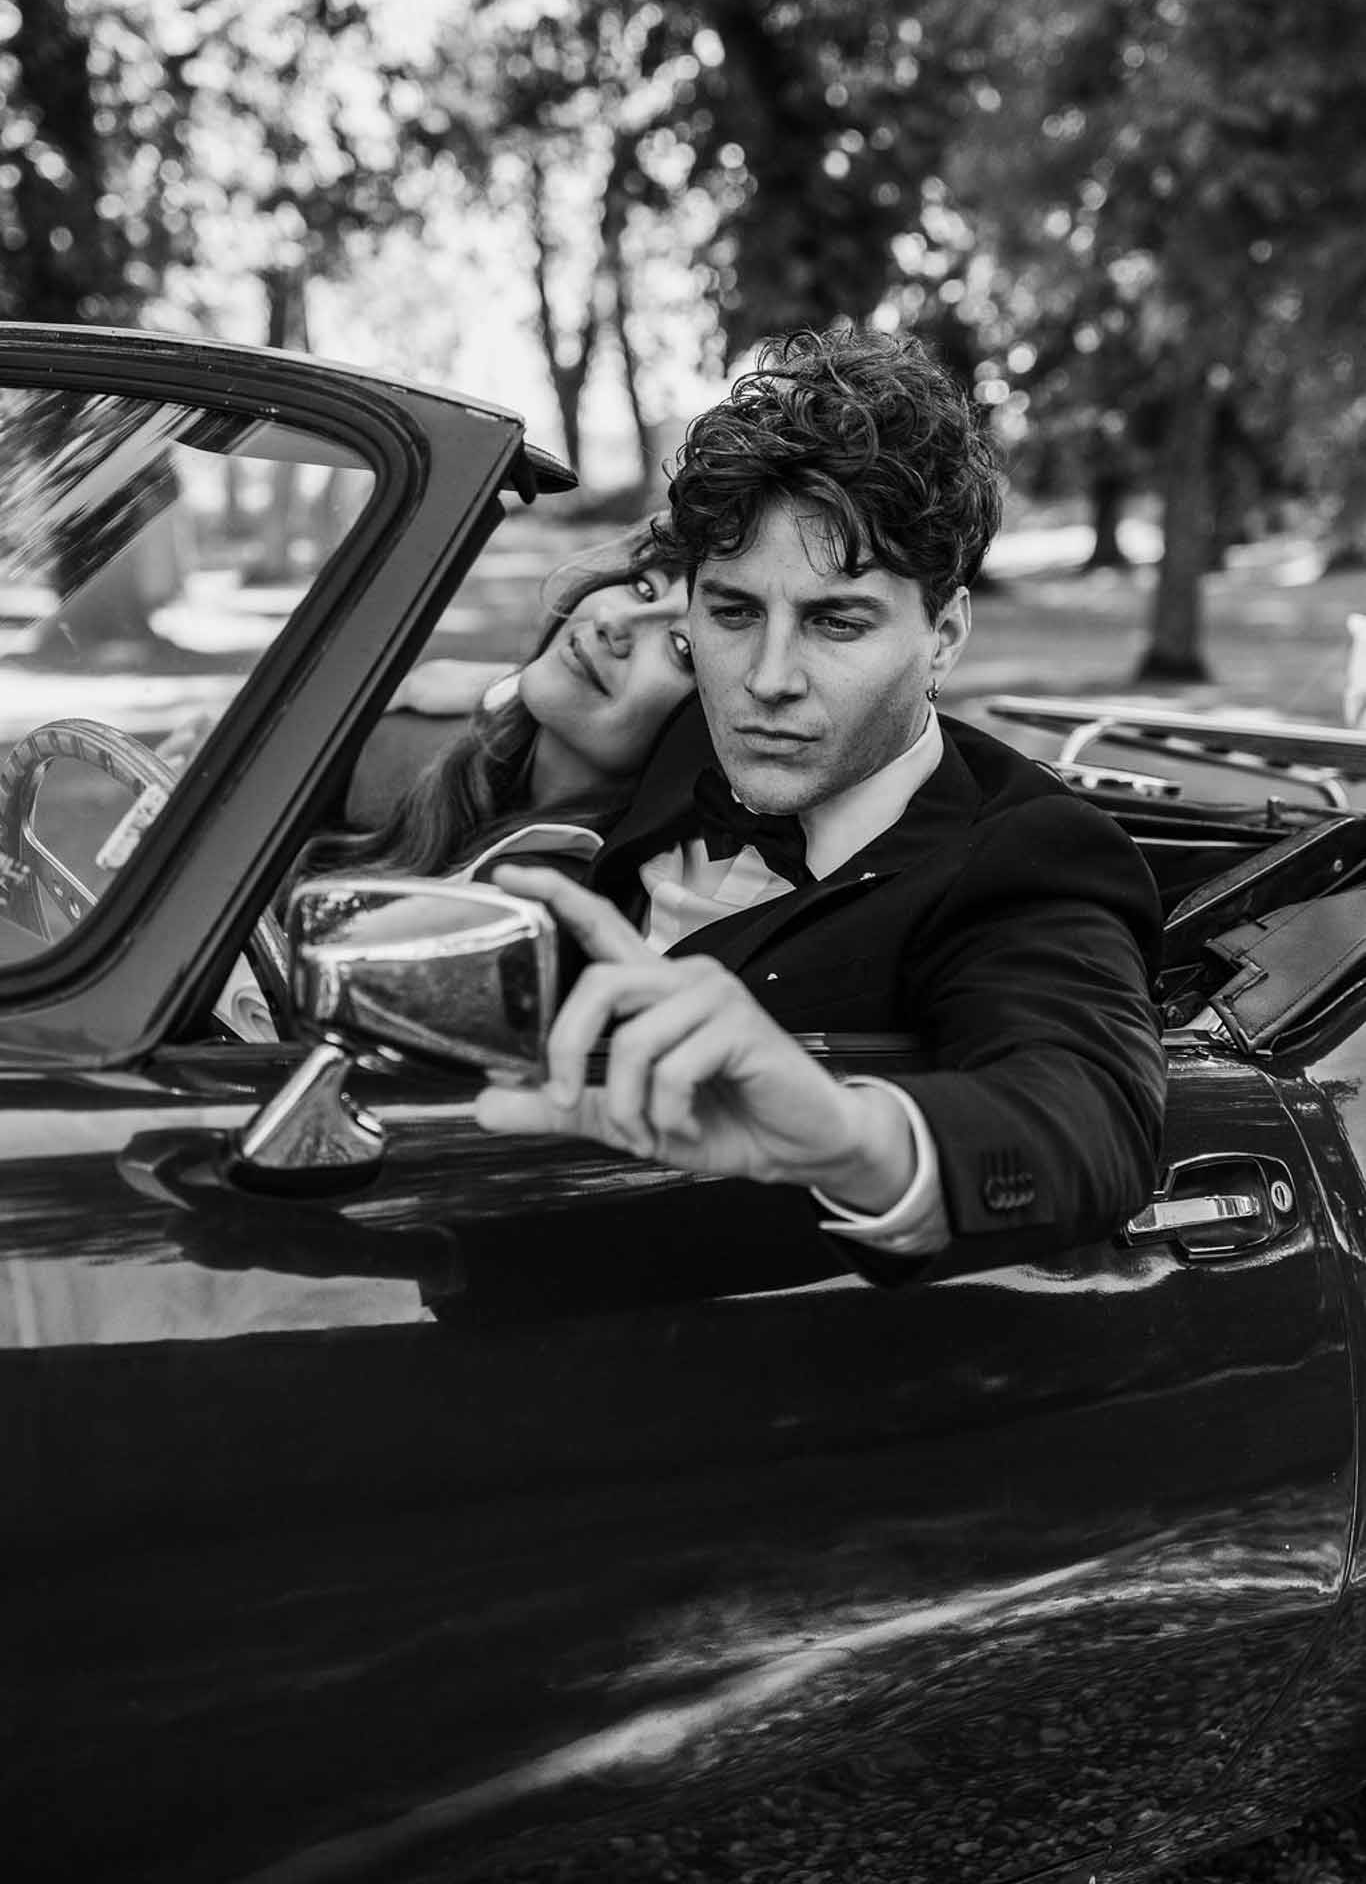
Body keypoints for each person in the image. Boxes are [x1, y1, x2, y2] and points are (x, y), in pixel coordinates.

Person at [472, 326, 1167, 1284]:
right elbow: (564, 677)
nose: (766, 680)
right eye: (733, 612)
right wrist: (460, 698)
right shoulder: (689, 722)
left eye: (837, 621)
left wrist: (854, 1135)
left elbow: (1091, 1111)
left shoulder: (1032, 858)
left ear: (944, 635)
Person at [301, 519, 695, 882]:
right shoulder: (447, 761)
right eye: (645, 588)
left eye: (681, 647)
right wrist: (503, 683)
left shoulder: (545, 887)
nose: (614, 621)